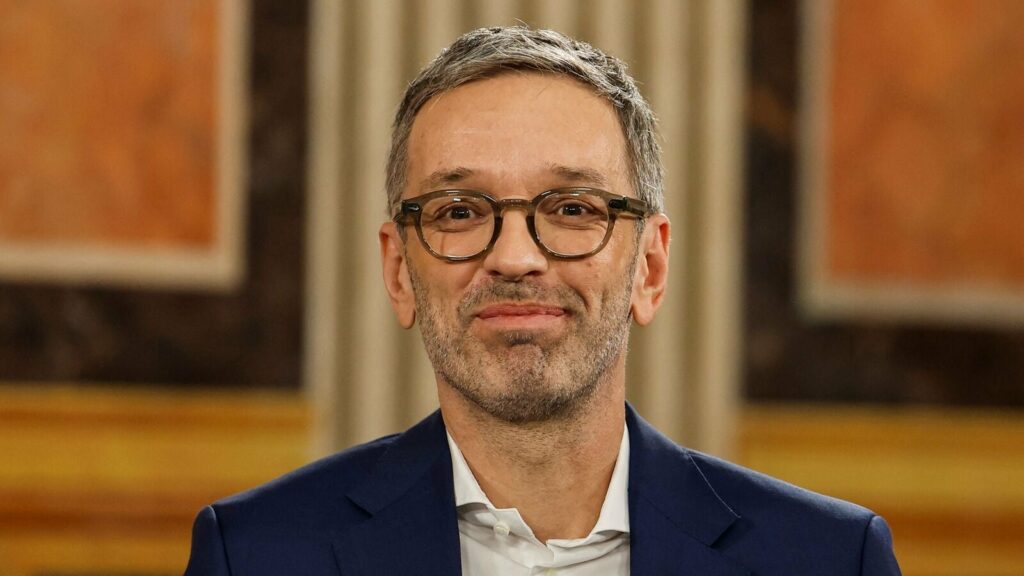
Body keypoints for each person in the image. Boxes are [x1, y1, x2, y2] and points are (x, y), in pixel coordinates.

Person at [185, 26, 901, 575]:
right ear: (399, 272)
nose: (516, 258)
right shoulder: (254, 555)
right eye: (460, 211)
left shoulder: (830, 559)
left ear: (649, 267)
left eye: (572, 208)